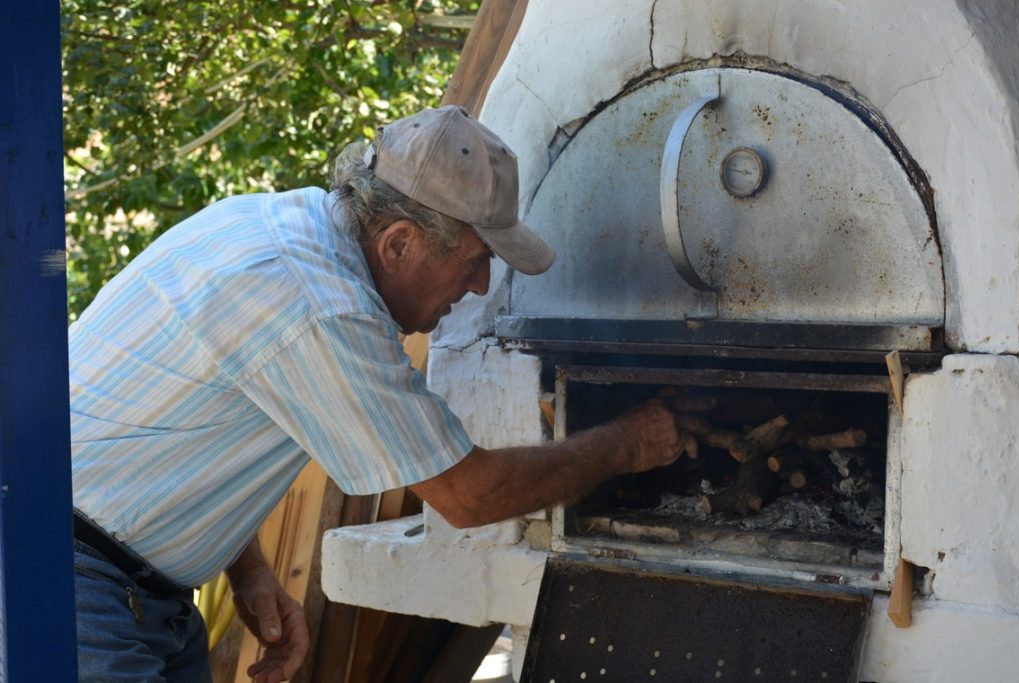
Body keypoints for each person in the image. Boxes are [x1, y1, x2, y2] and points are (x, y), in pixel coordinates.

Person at [69, 105, 687, 683]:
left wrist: (250, 566)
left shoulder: (277, 223)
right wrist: (627, 445)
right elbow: (468, 495)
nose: (480, 286)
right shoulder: (323, 308)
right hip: (69, 580)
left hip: (135, 589)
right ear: (397, 243)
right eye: (474, 261)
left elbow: (205, 424)